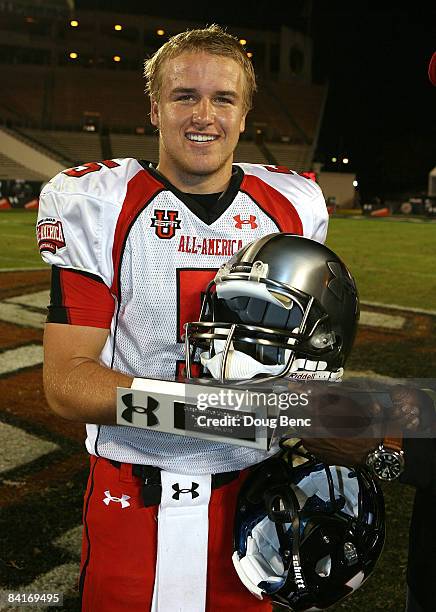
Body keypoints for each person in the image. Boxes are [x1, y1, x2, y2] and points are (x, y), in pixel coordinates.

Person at [37, 25, 329, 612]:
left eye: (223, 98)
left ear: (245, 114)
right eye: (184, 96)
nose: (204, 115)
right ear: (154, 108)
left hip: (256, 500)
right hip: (136, 492)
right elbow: (67, 382)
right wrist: (212, 410)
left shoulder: (293, 206)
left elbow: (305, 358)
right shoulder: (100, 201)